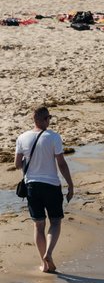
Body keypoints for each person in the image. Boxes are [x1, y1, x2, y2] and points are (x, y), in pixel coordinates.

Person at [14, 106, 74, 273]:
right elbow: (61, 163)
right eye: (48, 118)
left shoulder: (22, 137)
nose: (50, 121)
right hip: (51, 185)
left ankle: (44, 264)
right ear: (40, 119)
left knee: (38, 225)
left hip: (32, 186)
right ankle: (49, 253)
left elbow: (17, 164)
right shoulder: (53, 137)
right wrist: (70, 184)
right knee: (55, 221)